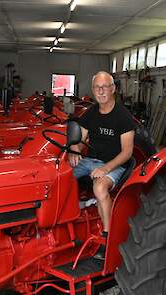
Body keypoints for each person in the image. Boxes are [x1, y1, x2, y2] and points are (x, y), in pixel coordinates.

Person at [68, 71, 135, 260]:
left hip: (115, 163)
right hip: (91, 161)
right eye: (97, 87)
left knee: (99, 187)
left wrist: (106, 169)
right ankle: (69, 225)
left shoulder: (123, 116)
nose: (101, 91)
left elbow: (127, 152)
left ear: (113, 89)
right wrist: (74, 148)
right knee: (61, 176)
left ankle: (107, 238)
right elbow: (79, 140)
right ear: (93, 90)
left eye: (105, 87)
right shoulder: (90, 113)